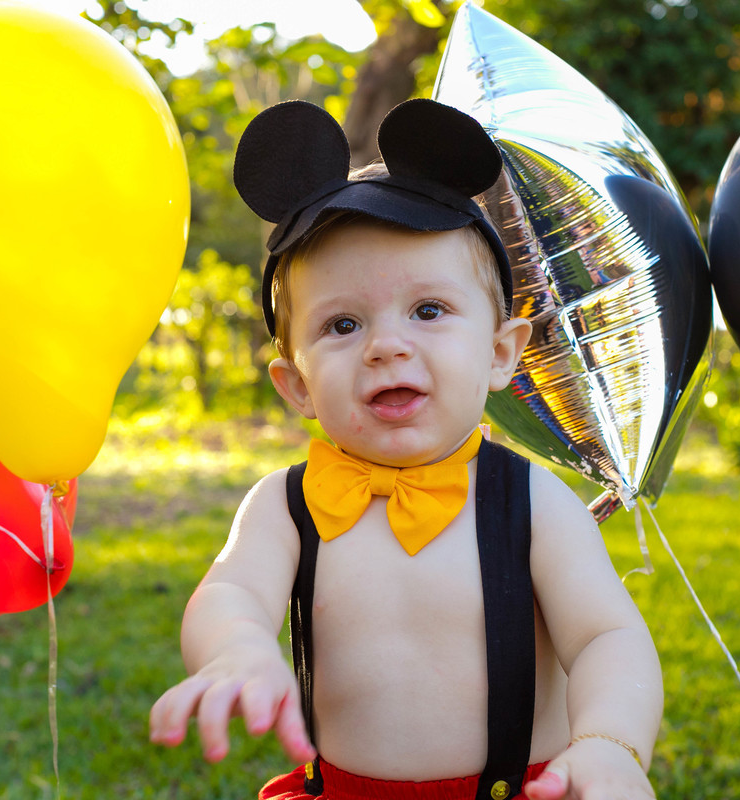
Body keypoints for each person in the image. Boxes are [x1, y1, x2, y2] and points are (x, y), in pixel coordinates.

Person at [150, 98, 663, 800]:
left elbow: (607, 636)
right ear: (296, 384)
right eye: (342, 324)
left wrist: (609, 742)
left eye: (429, 311)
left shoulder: (533, 503)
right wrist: (235, 647)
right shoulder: (285, 505)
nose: (387, 345)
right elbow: (232, 591)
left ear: (499, 352)